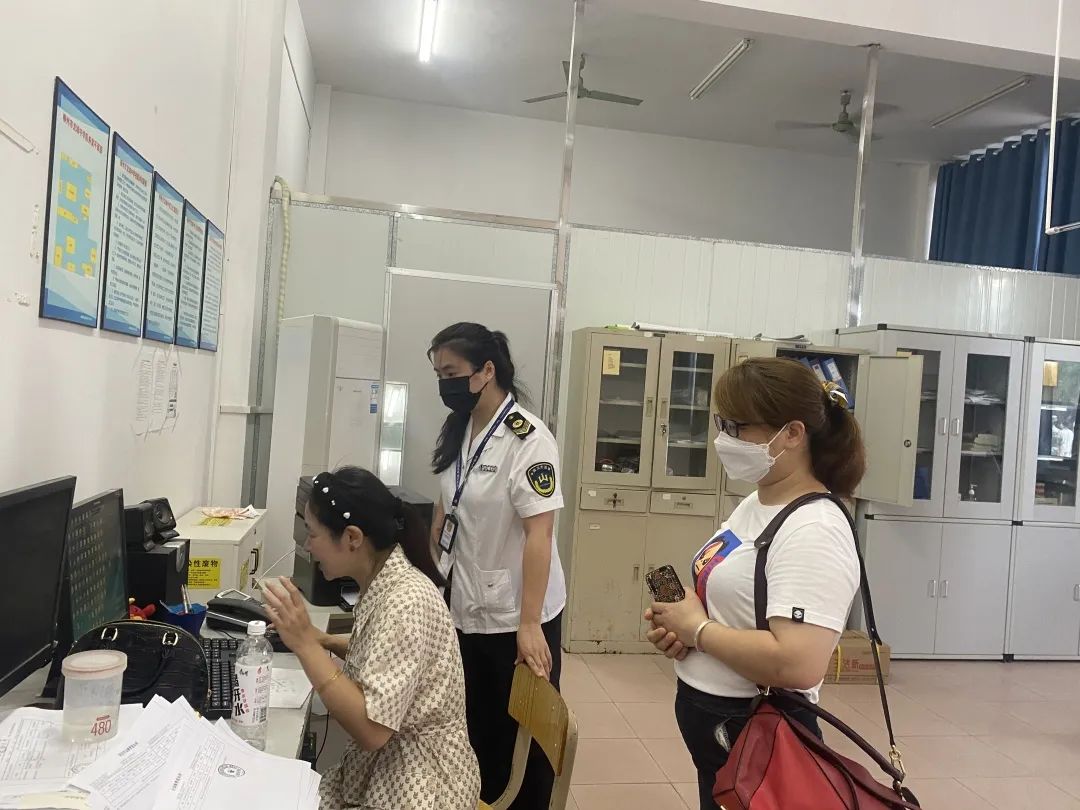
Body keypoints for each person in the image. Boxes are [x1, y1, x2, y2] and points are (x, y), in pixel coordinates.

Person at [645, 358, 866, 810]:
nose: (723, 439)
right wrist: (681, 626)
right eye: (721, 424)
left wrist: (699, 631)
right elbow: (738, 600)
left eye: (737, 427)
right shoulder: (758, 502)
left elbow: (798, 663)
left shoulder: (815, 529)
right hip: (719, 728)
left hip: (757, 728)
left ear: (792, 434)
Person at [262, 466, 480, 810]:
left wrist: (304, 644)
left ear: (352, 538)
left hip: (424, 785)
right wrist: (323, 640)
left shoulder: (405, 603)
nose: (307, 546)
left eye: (313, 534)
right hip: (394, 768)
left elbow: (371, 731)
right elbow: (384, 654)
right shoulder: (385, 581)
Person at [428, 322, 566, 810]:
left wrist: (529, 624)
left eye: (451, 373)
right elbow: (449, 499)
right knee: (477, 728)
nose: (444, 384)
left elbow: (539, 534)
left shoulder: (528, 439)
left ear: (486, 371)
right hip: (466, 604)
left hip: (516, 616)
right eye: (438, 375)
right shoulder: (460, 427)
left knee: (521, 741)